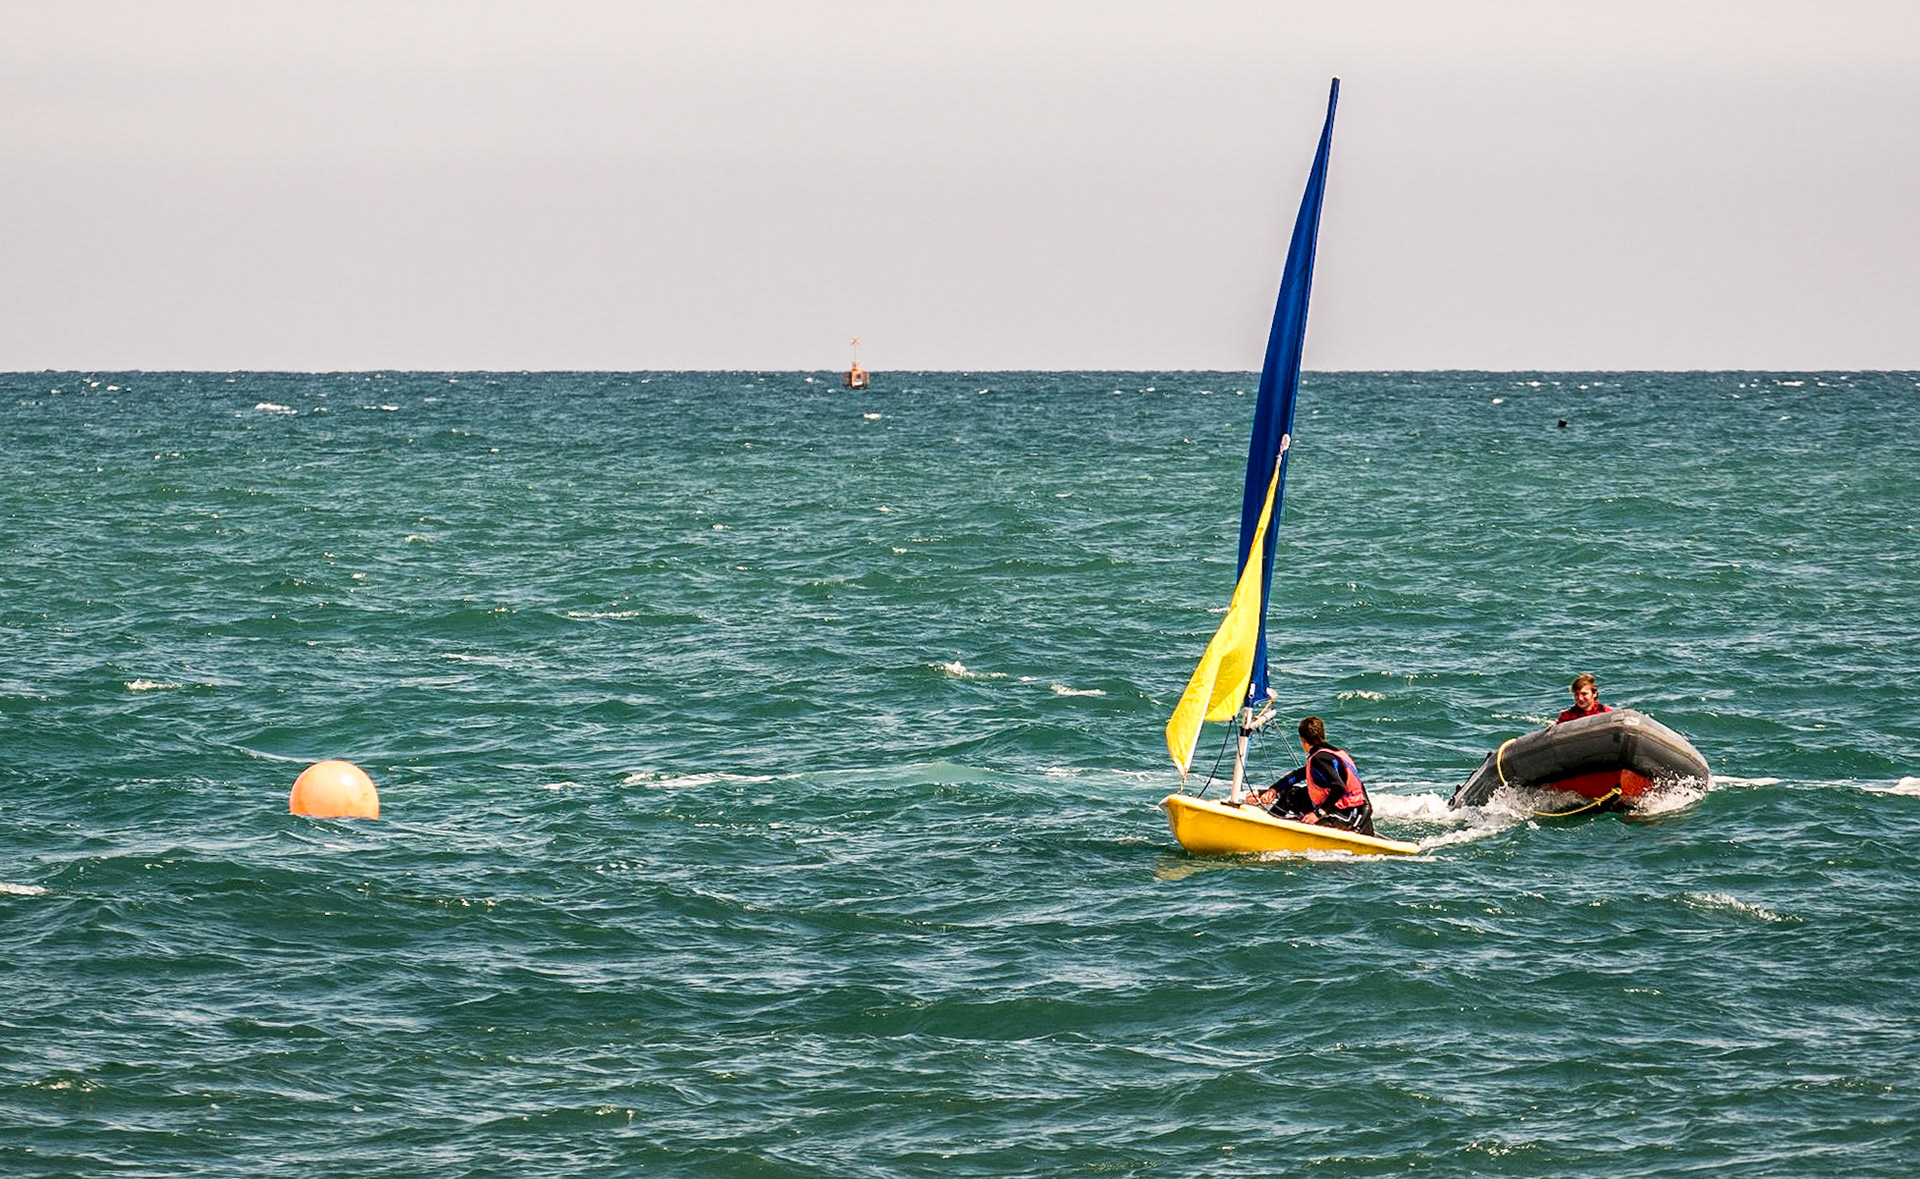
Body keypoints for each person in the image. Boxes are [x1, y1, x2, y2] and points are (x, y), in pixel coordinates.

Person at [1248, 716, 1375, 835]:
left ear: (1303, 740)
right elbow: (1298, 775)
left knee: (1308, 822)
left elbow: (1339, 787)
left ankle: (1268, 831)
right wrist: (1273, 790)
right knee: (1291, 795)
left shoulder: (1320, 758)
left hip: (1346, 816)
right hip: (1337, 809)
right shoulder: (1331, 753)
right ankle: (1269, 824)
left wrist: (1318, 814)